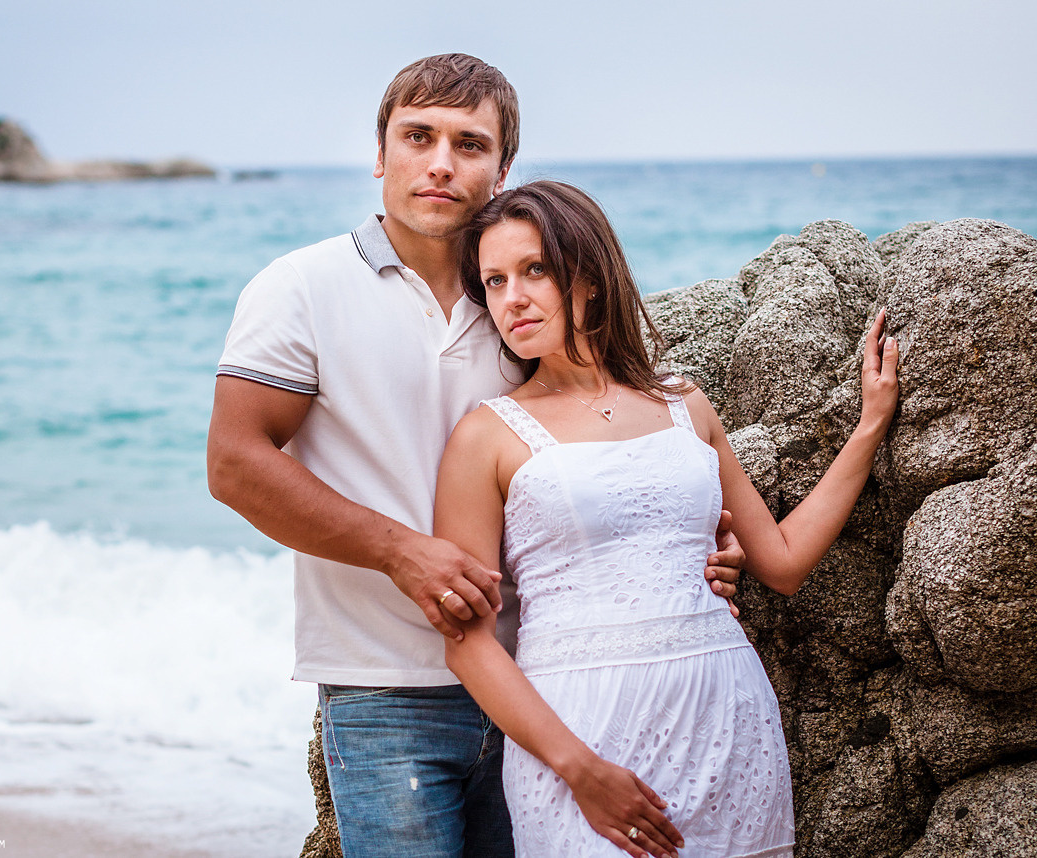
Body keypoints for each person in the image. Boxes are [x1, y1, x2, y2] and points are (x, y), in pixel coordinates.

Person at [207, 56, 743, 857]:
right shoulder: (301, 288)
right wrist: (399, 552)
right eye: (417, 136)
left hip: (549, 685)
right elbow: (236, 464)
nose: (440, 162)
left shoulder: (520, 298)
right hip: (385, 690)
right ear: (380, 153)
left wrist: (692, 542)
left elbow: (608, 434)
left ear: (501, 170)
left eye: (469, 143)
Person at [435, 181, 899, 858]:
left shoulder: (683, 402)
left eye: (535, 270)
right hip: (582, 737)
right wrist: (579, 769)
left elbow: (784, 561)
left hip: (726, 719)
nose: (513, 298)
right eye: (494, 280)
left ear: (588, 277)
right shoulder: (485, 436)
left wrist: (870, 426)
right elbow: (467, 641)